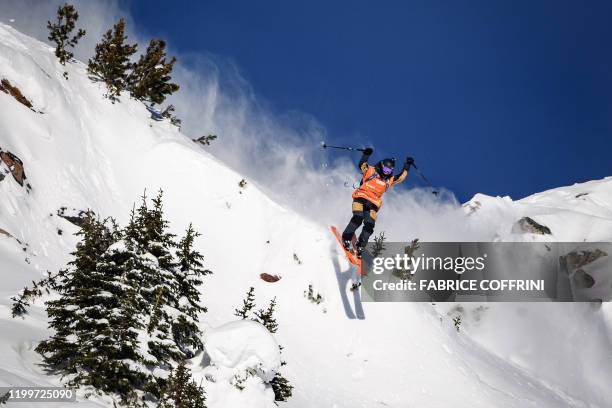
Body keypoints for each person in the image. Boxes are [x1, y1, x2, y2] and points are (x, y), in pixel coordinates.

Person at [341, 147, 413, 255]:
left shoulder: (389, 180)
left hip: (373, 205)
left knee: (369, 226)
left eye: (389, 171)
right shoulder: (371, 171)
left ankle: (360, 246)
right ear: (382, 166)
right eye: (385, 169)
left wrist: (407, 165)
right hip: (361, 198)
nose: (386, 172)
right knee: (358, 217)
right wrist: (366, 154)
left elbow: (400, 177)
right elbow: (362, 164)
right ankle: (346, 237)